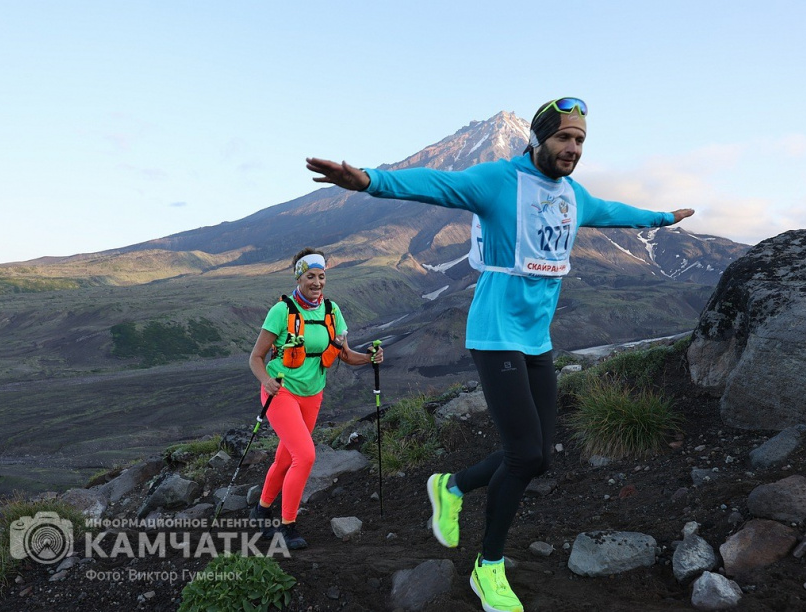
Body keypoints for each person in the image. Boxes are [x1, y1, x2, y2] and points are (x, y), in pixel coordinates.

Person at [306, 97, 694, 612]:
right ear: (539, 139)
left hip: (538, 339)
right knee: (525, 455)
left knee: (540, 457)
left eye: (579, 140)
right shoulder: (498, 181)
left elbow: (615, 213)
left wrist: (663, 216)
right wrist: (370, 181)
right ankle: (487, 569)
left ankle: (452, 486)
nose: (572, 148)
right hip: (495, 332)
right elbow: (438, 185)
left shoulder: (573, 196)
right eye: (563, 138)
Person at [248, 247, 383, 550]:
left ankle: (261, 509)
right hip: (281, 391)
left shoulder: (332, 311)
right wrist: (266, 380)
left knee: (286, 458)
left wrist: (370, 358)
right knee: (305, 456)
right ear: (299, 277)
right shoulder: (281, 311)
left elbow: (346, 355)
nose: (318, 282)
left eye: (322, 276)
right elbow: (255, 358)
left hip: (313, 394)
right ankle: (287, 526)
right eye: (311, 276)